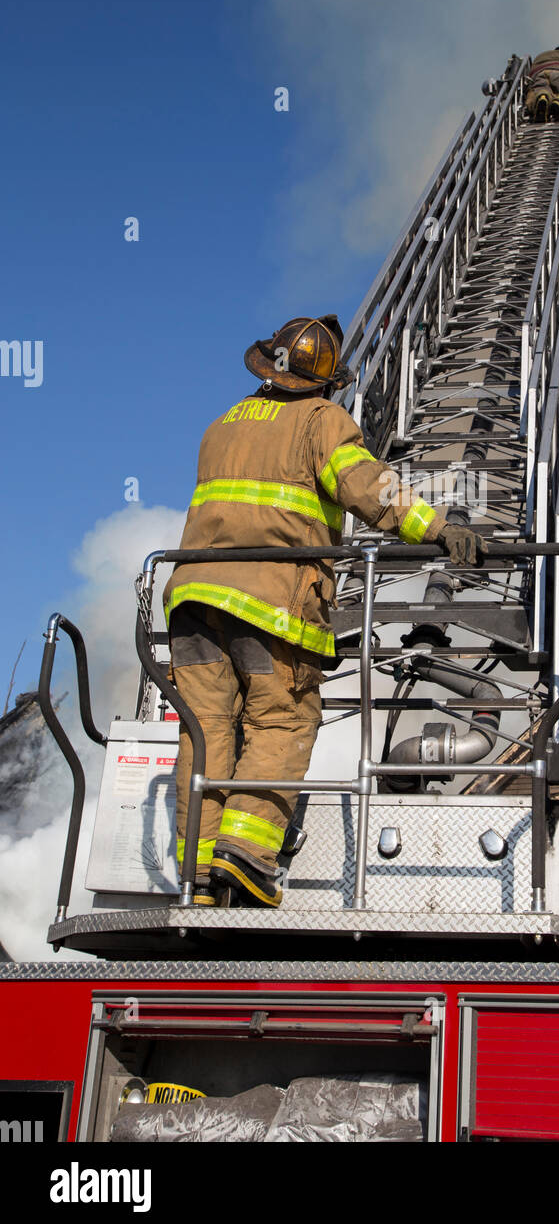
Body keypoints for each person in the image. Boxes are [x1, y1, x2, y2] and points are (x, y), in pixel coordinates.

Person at [163, 314, 485, 908]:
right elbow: (372, 490)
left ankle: (197, 874)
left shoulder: (223, 424)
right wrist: (439, 526)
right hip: (270, 601)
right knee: (283, 720)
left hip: (191, 599)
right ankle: (246, 855)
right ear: (327, 383)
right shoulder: (320, 421)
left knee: (203, 729)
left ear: (268, 363)